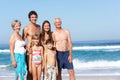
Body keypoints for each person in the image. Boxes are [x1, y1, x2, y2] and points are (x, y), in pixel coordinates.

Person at [22, 11, 41, 80]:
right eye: (32, 17)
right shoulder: (26, 28)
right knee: (30, 72)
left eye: (35, 17)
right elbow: (22, 41)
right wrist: (27, 48)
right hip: (29, 53)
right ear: (29, 18)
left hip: (38, 52)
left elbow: (40, 39)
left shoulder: (39, 27)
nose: (34, 18)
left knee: (38, 72)